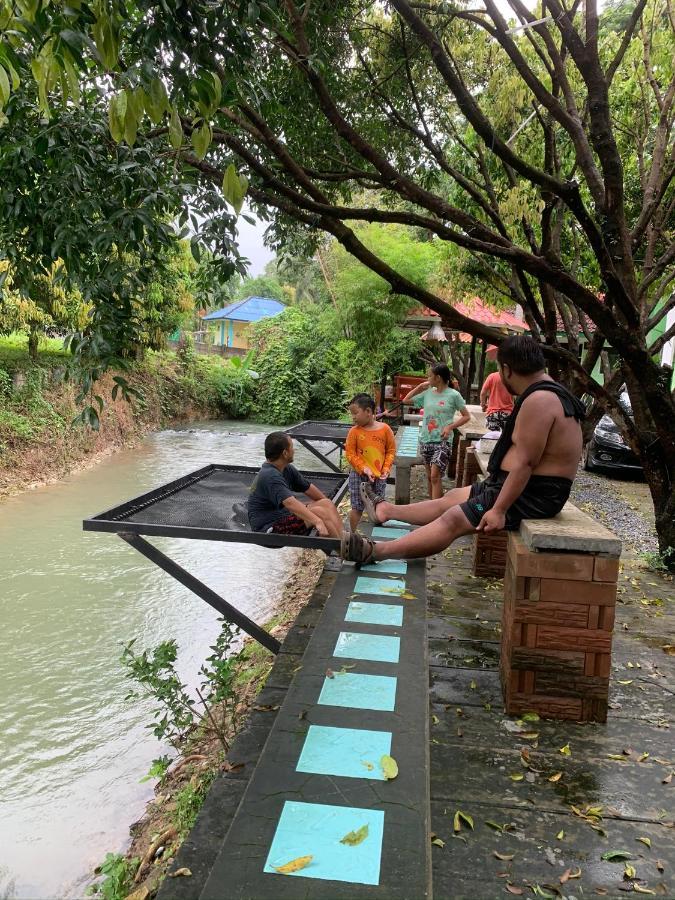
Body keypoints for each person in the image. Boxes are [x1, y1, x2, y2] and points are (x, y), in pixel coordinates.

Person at [343, 336, 585, 565]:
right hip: (517, 485)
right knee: (450, 498)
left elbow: (526, 464)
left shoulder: (539, 400)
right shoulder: (549, 390)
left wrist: (499, 509)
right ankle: (386, 510)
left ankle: (376, 551)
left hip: (533, 494)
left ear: (507, 370)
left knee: (454, 519)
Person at [247, 432, 343, 537]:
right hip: (267, 528)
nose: (294, 450)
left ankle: (345, 540)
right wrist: (318, 522)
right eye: (292, 447)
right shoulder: (270, 475)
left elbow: (308, 488)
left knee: (326, 504)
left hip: (282, 516)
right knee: (319, 512)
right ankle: (344, 550)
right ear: (285, 453)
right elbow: (290, 503)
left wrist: (328, 508)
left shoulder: (286, 468)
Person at [402, 363, 470, 499]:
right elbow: (405, 400)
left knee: (435, 476)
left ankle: (437, 510)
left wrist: (450, 427)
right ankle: (431, 505)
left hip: (443, 441)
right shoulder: (427, 393)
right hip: (426, 439)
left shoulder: (454, 395)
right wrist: (420, 387)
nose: (427, 379)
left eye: (429, 376)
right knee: (430, 477)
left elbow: (466, 416)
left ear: (438, 378)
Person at [344, 393, 396, 532]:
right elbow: (350, 454)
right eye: (352, 414)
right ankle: (353, 535)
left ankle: (376, 538)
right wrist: (363, 468)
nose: (353, 417)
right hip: (358, 475)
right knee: (356, 507)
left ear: (368, 411)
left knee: (378, 505)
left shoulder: (385, 429)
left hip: (379, 476)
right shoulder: (354, 432)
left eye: (355, 413)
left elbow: (390, 451)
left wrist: (386, 468)